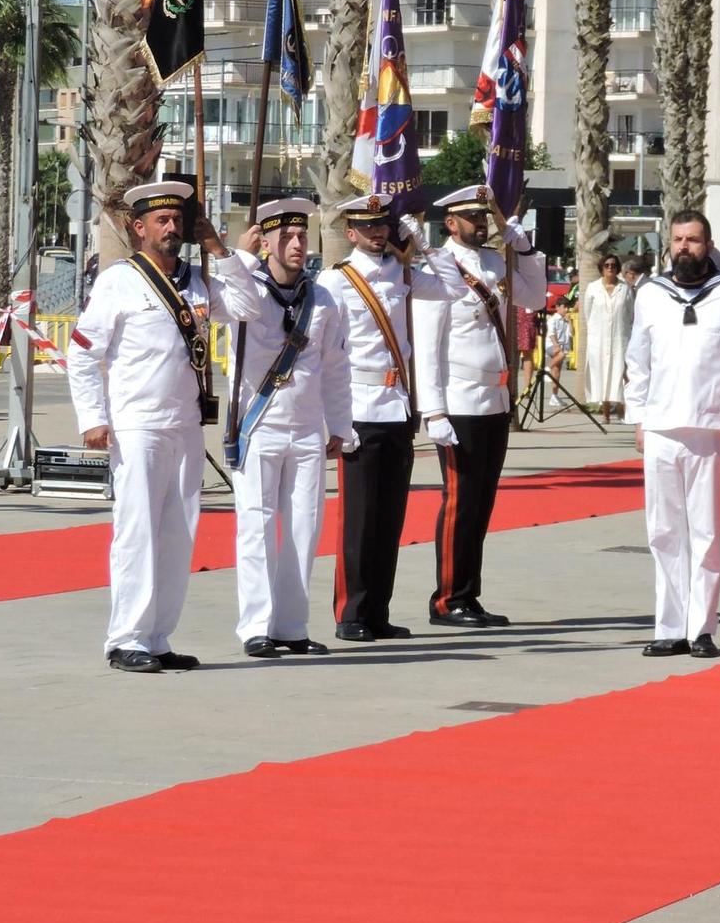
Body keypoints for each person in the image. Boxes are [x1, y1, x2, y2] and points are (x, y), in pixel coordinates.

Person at [67, 182, 259, 672]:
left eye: (177, 220)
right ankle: (125, 637)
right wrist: (93, 418)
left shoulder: (198, 280)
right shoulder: (119, 281)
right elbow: (82, 353)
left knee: (178, 535)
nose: (172, 229)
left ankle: (156, 636)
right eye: (161, 221)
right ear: (139, 228)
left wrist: (219, 248)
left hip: (187, 424)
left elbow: (248, 310)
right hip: (138, 425)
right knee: (137, 531)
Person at [318, 193, 466, 643]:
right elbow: (327, 352)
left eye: (382, 225)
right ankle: (351, 613)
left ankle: (378, 610)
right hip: (359, 408)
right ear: (350, 233)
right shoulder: (337, 280)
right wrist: (333, 421)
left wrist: (422, 242)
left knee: (390, 518)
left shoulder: (404, 272)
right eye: (367, 226)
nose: (377, 233)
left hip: (397, 404)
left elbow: (455, 289)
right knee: (359, 520)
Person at [221, 198, 354, 658]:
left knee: (304, 528)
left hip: (307, 428)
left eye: (302, 236)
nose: (298, 244)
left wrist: (340, 424)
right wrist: (240, 256)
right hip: (259, 427)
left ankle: (291, 626)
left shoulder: (323, 299)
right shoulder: (247, 291)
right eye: (286, 237)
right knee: (256, 527)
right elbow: (228, 301)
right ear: (266, 242)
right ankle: (256, 627)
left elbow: (335, 366)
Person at [415, 185, 548, 630]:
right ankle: (447, 599)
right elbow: (429, 345)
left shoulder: (497, 261)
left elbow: (534, 298)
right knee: (460, 503)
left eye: (484, 215)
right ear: (450, 223)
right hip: (459, 401)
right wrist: (432, 411)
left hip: (495, 398)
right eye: (471, 217)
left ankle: (469, 596)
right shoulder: (437, 266)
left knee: (482, 503)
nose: (481, 223)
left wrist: (522, 246)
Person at [625, 209, 720, 659]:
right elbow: (637, 359)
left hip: (710, 427)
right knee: (663, 532)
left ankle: (701, 628)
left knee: (705, 532)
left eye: (694, 240)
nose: (685, 247)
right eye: (678, 239)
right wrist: (638, 418)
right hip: (661, 427)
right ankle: (669, 627)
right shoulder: (650, 295)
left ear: (709, 244)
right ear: (669, 243)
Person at [579, 254, 633, 423]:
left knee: (620, 372)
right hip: (599, 339)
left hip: (619, 337)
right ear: (602, 268)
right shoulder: (593, 288)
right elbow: (587, 313)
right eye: (607, 265)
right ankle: (605, 413)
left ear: (617, 269)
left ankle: (622, 411)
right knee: (602, 372)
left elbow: (630, 313)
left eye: (613, 265)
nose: (610, 268)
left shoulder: (625, 289)